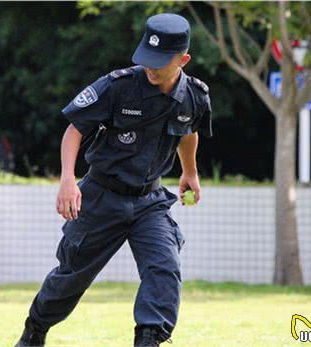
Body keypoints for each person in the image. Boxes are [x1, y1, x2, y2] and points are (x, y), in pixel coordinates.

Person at [15, 12, 212, 347]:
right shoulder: (118, 86)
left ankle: (149, 339)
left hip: (150, 202)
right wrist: (67, 179)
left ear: (183, 59)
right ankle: (35, 330)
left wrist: (189, 171)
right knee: (71, 277)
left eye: (160, 62)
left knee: (164, 268)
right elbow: (75, 129)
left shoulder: (195, 96)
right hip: (101, 196)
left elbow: (188, 130)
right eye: (146, 59)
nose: (150, 68)